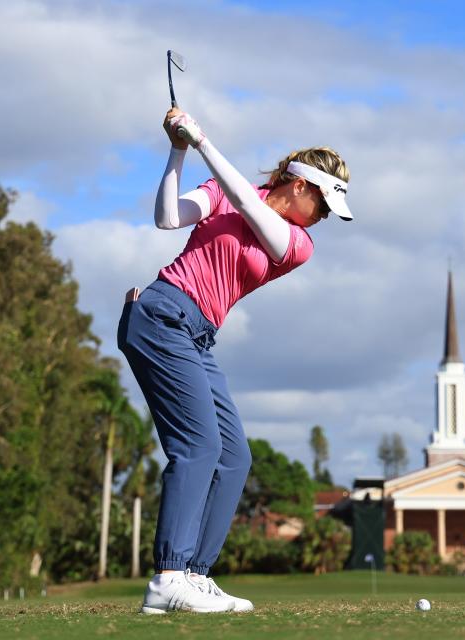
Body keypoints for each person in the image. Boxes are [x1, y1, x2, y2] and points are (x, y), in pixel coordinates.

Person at [117, 107, 353, 615]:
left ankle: (195, 576)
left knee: (234, 457)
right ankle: (168, 576)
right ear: (301, 185)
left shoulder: (297, 244)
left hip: (198, 336)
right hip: (163, 315)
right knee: (198, 447)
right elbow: (166, 216)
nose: (324, 218)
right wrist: (179, 149)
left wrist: (202, 140)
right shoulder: (223, 190)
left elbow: (250, 203)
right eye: (325, 204)